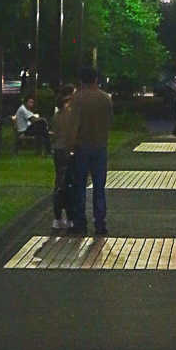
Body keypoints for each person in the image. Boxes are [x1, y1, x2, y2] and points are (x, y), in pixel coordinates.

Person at [63, 64, 113, 236]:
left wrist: (69, 145)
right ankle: (100, 223)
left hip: (82, 146)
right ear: (96, 79)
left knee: (80, 186)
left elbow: (73, 125)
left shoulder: (77, 99)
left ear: (81, 80)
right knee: (99, 186)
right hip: (100, 145)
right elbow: (109, 121)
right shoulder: (105, 98)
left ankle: (80, 223)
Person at [50, 89, 75, 231]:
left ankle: (57, 217)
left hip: (58, 151)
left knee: (59, 183)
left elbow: (54, 134)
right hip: (68, 151)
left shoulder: (56, 116)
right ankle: (70, 218)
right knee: (70, 184)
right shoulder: (71, 117)